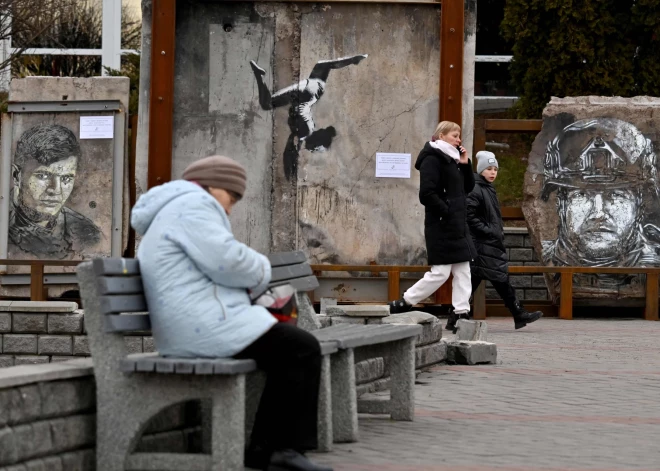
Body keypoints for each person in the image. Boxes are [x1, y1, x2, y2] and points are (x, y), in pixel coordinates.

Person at [131, 155, 331, 471]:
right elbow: (230, 263)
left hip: (194, 323)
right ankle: (281, 449)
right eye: (232, 196)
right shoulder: (194, 207)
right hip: (201, 326)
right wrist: (262, 267)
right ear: (213, 184)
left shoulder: (177, 208)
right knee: (301, 349)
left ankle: (268, 449)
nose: (231, 207)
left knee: (292, 348)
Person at [541, 118, 660, 293]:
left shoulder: (655, 261)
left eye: (616, 195)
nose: (598, 214)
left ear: (640, 205)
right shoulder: (547, 257)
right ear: (561, 205)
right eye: (581, 195)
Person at [389, 121, 476, 322]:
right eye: (455, 135)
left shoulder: (453, 159)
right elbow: (426, 194)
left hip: (456, 224)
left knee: (463, 270)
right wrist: (447, 211)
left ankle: (460, 313)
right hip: (442, 224)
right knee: (441, 272)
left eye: (459, 136)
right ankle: (406, 302)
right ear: (442, 135)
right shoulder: (432, 159)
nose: (458, 139)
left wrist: (465, 164)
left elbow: (468, 187)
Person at [250, 55, 367, 178]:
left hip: (308, 88)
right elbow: (292, 149)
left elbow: (291, 149)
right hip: (306, 93)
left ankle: (259, 75)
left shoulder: (304, 131)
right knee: (268, 104)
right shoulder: (304, 131)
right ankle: (259, 75)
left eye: (314, 150)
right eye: (315, 149)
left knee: (267, 103)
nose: (312, 150)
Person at [464, 151, 543, 331]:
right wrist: (490, 231)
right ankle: (519, 313)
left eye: (495, 169)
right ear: (480, 170)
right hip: (483, 244)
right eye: (489, 169)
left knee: (478, 281)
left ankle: (455, 316)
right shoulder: (476, 189)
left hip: (488, 244)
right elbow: (469, 216)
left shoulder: (486, 188)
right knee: (500, 279)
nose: (492, 172)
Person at [8, 124, 102, 258]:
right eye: (43, 176)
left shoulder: (87, 233)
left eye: (66, 178)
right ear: (17, 175)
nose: (55, 190)